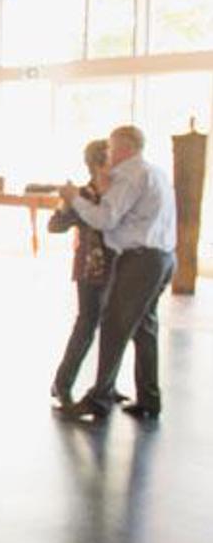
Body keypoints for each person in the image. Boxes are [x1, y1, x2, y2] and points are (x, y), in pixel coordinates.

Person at [60, 125, 177, 421]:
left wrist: (74, 197)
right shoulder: (155, 173)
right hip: (163, 257)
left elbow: (105, 219)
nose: (109, 156)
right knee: (144, 328)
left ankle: (99, 398)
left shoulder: (129, 175)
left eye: (111, 149)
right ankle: (149, 399)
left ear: (124, 148)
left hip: (140, 260)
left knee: (114, 325)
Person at [48, 139, 118, 408]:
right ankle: (62, 383)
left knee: (113, 327)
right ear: (98, 163)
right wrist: (66, 204)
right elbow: (54, 226)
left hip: (118, 265)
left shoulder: (119, 192)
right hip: (91, 268)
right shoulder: (83, 194)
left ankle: (106, 386)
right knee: (87, 324)